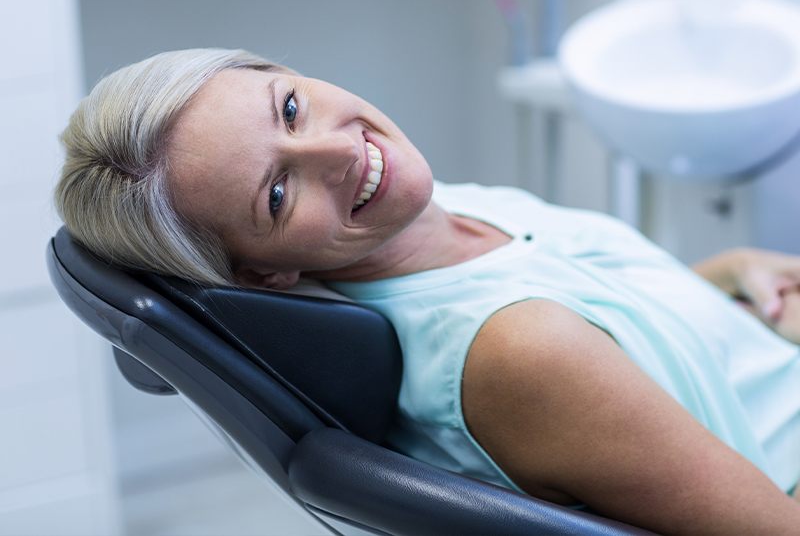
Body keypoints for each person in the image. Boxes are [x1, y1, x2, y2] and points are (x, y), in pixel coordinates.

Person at [55, 48, 800, 534]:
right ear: (261, 274)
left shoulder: (439, 213)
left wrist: (725, 279)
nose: (340, 149)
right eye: (278, 194)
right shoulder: (518, 352)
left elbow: (611, 332)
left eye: (289, 108)